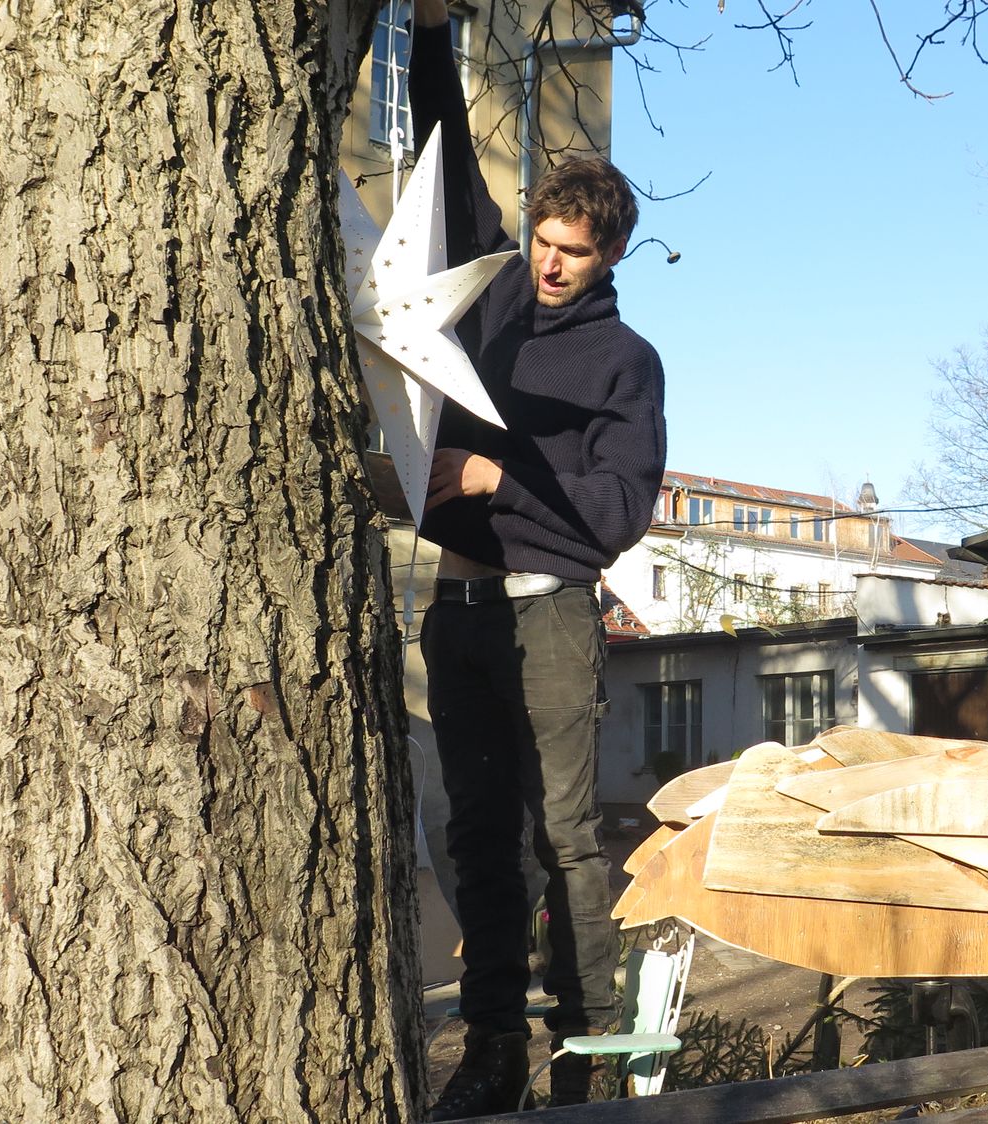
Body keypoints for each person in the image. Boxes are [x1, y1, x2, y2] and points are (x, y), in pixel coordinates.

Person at [407, 2, 667, 1116]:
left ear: (609, 255)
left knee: (562, 837)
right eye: (545, 241)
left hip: (552, 614)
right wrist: (428, 32)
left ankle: (586, 1059)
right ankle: (492, 1054)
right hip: (457, 608)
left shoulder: (624, 361)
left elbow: (615, 513)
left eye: (575, 252)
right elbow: (442, 158)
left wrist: (491, 480)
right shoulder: (487, 290)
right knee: (477, 837)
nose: (552, 265)